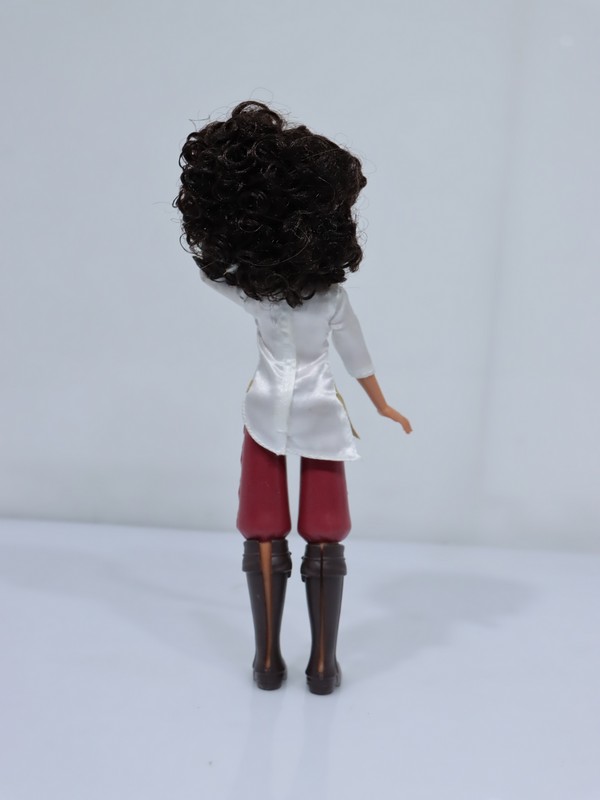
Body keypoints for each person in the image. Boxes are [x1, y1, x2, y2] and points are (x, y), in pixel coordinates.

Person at [174, 100, 412, 694]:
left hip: (272, 409)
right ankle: (313, 664)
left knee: (271, 526)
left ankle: (275, 662)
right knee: (312, 528)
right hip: (312, 409)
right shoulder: (323, 298)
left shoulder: (263, 296)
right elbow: (356, 357)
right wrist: (379, 404)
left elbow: (210, 276)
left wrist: (226, 237)